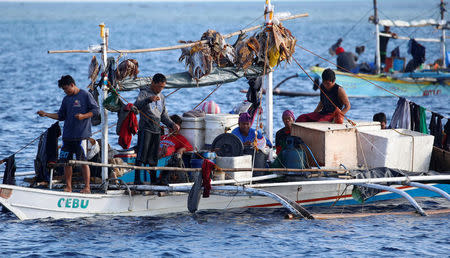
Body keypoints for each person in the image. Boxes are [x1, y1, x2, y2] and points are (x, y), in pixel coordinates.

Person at [37, 75, 99, 193]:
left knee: (83, 161)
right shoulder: (66, 99)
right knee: (66, 162)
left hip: (82, 136)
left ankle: (87, 187)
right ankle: (68, 186)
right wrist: (46, 114)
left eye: (66, 89)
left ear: (72, 85)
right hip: (67, 136)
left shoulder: (85, 95)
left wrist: (83, 116)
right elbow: (60, 116)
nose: (65, 91)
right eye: (63, 90)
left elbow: (96, 110)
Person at [133, 73, 179, 184]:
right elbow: (136, 107)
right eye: (159, 86)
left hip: (156, 129)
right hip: (146, 128)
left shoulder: (162, 97)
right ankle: (137, 179)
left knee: (154, 157)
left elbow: (163, 115)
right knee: (141, 155)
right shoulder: (144, 93)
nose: (160, 89)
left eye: (162, 87)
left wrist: (172, 124)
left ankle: (153, 180)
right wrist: (148, 100)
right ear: (153, 83)